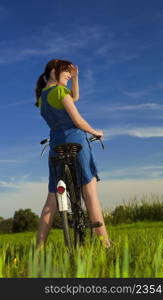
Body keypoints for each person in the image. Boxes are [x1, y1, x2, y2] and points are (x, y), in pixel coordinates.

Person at [35, 58, 110, 248]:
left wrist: (75, 79)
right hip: (76, 141)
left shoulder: (42, 97)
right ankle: (105, 244)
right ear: (53, 71)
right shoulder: (59, 91)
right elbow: (77, 121)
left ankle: (38, 250)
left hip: (56, 144)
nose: (69, 75)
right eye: (66, 71)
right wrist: (95, 132)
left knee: (52, 197)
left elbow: (73, 98)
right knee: (89, 191)